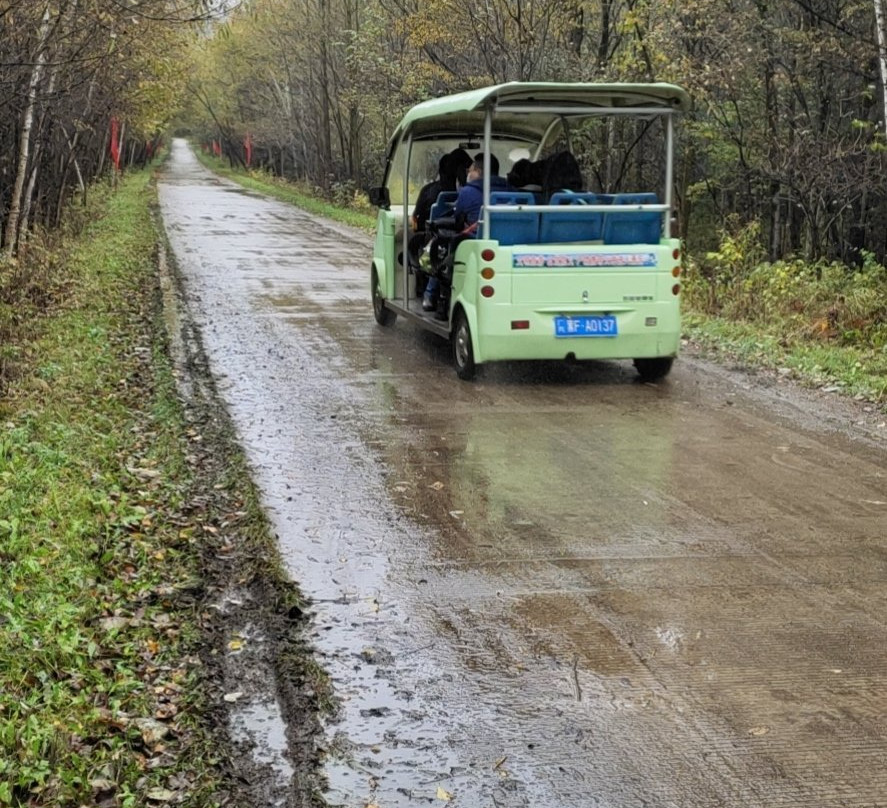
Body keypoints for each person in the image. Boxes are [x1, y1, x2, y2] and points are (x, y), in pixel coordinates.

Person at [425, 155, 511, 319]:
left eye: (469, 170)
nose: (467, 173)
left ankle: (434, 299)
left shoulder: (468, 191)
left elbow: (457, 217)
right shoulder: (510, 190)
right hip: (506, 242)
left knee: (442, 249)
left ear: (478, 172)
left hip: (473, 242)